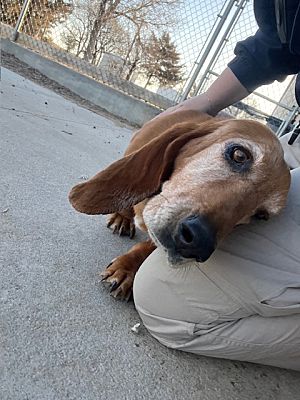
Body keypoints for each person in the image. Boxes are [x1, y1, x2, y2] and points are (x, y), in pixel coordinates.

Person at [133, 0, 300, 371]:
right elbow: (279, 41)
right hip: (295, 138)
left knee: (161, 301)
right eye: (236, 158)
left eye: (256, 217)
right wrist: (203, 104)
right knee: (265, 160)